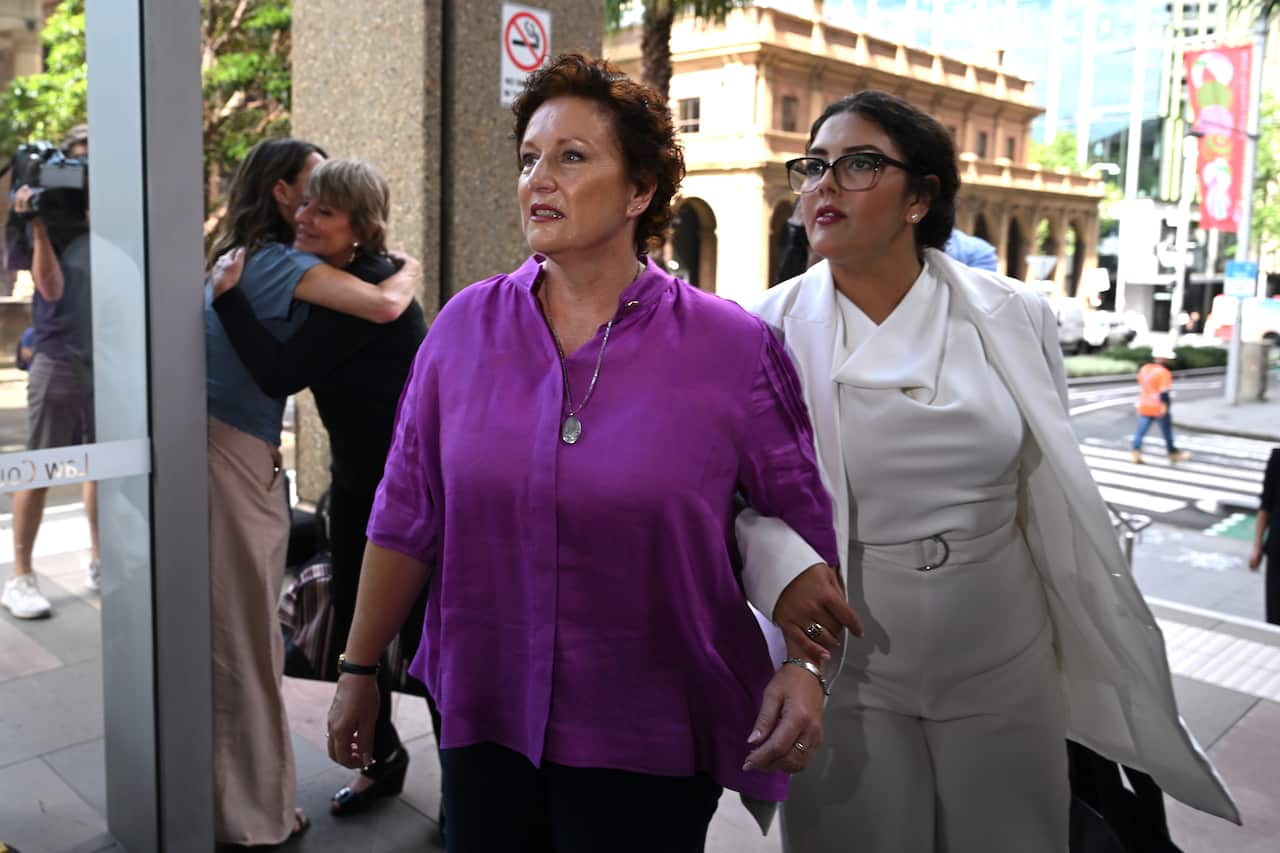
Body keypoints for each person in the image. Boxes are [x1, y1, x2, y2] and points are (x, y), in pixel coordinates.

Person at [326, 52, 846, 853]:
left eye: (572, 157)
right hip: (484, 711)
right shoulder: (463, 329)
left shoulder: (731, 347)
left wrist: (805, 670)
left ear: (640, 191)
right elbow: (406, 513)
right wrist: (359, 671)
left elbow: (803, 532)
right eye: (530, 157)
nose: (541, 178)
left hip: (651, 734)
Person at [734, 90, 1237, 852]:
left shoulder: (1013, 314)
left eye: (859, 163)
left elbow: (1050, 476)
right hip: (850, 655)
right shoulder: (762, 330)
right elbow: (737, 495)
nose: (824, 184)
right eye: (814, 166)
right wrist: (781, 576)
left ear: (920, 197)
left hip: (1004, 647)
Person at [203, 138, 422, 845]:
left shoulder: (353, 290)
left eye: (324, 210)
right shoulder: (341, 276)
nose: (306, 216)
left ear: (357, 227)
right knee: (362, 632)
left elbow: (279, 371)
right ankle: (381, 759)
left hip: (411, 488)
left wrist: (232, 302)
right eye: (306, 198)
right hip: (361, 482)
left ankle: (455, 792)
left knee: (419, 635)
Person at [2, 125, 98, 621]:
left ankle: (101, 561)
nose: (81, 177)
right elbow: (50, 288)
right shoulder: (44, 221)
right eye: (74, 165)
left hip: (110, 359)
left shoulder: (113, 219)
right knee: (40, 465)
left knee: (102, 466)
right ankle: (19, 576)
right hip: (59, 355)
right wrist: (38, 223)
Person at [1131, 347, 1192, 465]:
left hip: (1144, 404)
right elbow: (1164, 392)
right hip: (1158, 407)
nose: (1171, 361)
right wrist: (1164, 407)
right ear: (1163, 359)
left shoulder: (1144, 369)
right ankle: (1173, 453)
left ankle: (1135, 453)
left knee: (1140, 431)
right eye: (1169, 358)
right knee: (1167, 432)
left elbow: (1141, 384)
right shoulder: (1164, 373)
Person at [1249, 447, 1279, 625]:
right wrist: (1257, 545)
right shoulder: (1278, 458)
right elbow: (1266, 505)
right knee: (1275, 616)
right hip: (1278, 551)